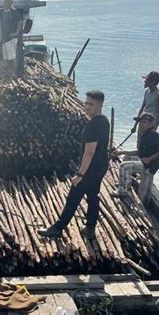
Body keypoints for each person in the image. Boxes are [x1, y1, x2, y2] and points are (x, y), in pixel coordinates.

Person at [38, 90, 110, 240]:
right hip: (101, 165)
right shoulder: (104, 120)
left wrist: (80, 174)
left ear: (100, 105)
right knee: (93, 196)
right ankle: (90, 228)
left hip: (90, 168)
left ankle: (57, 228)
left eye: (91, 104)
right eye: (86, 103)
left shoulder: (93, 125)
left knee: (74, 196)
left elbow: (89, 152)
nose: (87, 107)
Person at [112, 112, 159, 204]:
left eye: (145, 122)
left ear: (151, 124)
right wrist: (123, 152)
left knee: (124, 166)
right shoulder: (145, 134)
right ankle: (127, 184)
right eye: (141, 122)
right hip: (143, 162)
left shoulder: (154, 135)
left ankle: (122, 191)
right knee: (126, 157)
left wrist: (150, 159)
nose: (141, 124)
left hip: (149, 166)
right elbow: (139, 152)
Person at [131, 71, 159, 145]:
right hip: (143, 121)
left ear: (153, 82)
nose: (145, 81)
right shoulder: (147, 91)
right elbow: (142, 108)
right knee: (139, 143)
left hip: (150, 124)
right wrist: (135, 125)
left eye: (147, 80)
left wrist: (154, 128)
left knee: (146, 144)